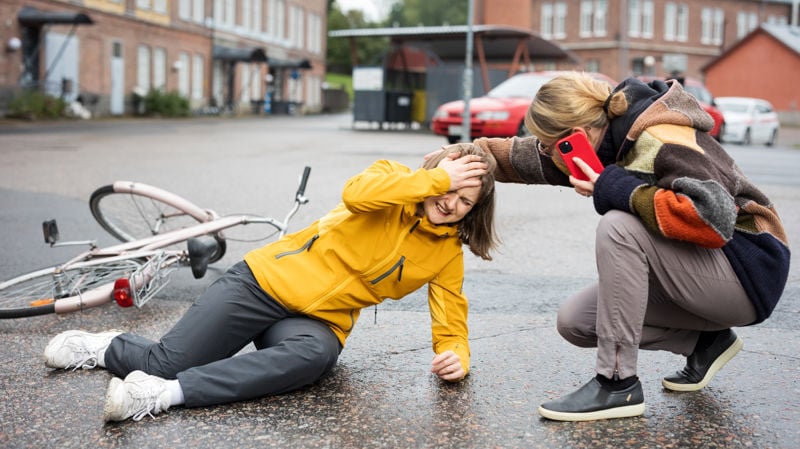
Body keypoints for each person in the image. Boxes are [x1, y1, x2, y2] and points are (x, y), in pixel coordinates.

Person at [43, 143, 498, 422]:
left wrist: (457, 355)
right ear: (433, 172)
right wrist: (436, 177)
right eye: (448, 187)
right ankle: (104, 347)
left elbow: (451, 318)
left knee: (315, 358)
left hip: (316, 320)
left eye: (464, 199)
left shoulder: (445, 255)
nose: (450, 201)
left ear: (473, 210)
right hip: (262, 283)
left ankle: (164, 394)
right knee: (165, 359)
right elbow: (355, 194)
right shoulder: (392, 181)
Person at [471, 72, 790, 421]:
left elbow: (713, 217)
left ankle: (617, 384)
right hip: (709, 271)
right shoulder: (611, 140)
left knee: (619, 227)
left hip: (748, 271)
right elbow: (528, 160)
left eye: (550, 145)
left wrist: (613, 187)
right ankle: (705, 344)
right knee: (577, 321)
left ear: (576, 138)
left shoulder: (660, 136)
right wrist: (474, 155)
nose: (547, 153)